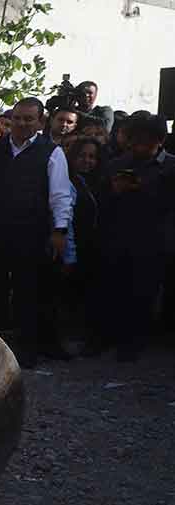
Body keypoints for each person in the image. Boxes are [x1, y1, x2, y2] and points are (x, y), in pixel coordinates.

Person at [0, 97, 74, 369]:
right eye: (18, 118)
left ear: (40, 122)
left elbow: (60, 195)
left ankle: (28, 348)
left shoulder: (51, 153)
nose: (22, 124)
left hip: (31, 233)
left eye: (28, 119)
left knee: (28, 292)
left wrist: (60, 230)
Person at [95, 116, 174, 361]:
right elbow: (100, 199)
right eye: (133, 141)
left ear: (158, 142)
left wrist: (144, 188)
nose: (136, 147)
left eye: (143, 142)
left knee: (143, 294)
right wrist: (114, 191)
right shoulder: (117, 163)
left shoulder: (171, 167)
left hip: (153, 240)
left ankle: (133, 342)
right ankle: (106, 337)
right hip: (117, 237)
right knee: (112, 289)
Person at [63, 137, 105, 353]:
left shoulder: (94, 181)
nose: (87, 161)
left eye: (92, 157)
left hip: (92, 249)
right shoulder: (67, 180)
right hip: (73, 248)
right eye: (82, 156)